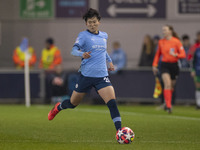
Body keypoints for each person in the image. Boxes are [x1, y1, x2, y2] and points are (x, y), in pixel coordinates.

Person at [48, 8, 122, 132]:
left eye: (94, 22)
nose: (92, 25)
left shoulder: (104, 35)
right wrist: (82, 54)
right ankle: (58, 107)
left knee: (112, 103)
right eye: (89, 22)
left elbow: (103, 51)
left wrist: (109, 61)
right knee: (72, 104)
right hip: (86, 76)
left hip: (102, 76)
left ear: (99, 21)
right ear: (86, 24)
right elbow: (73, 50)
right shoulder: (83, 35)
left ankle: (119, 131)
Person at [152, 25, 186, 113]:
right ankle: (168, 105)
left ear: (170, 31)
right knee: (167, 84)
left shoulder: (177, 42)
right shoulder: (161, 42)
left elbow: (183, 54)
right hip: (164, 65)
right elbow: (158, 54)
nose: (163, 32)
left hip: (174, 65)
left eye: (165, 30)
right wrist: (154, 65)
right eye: (163, 30)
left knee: (171, 86)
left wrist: (176, 55)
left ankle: (168, 101)